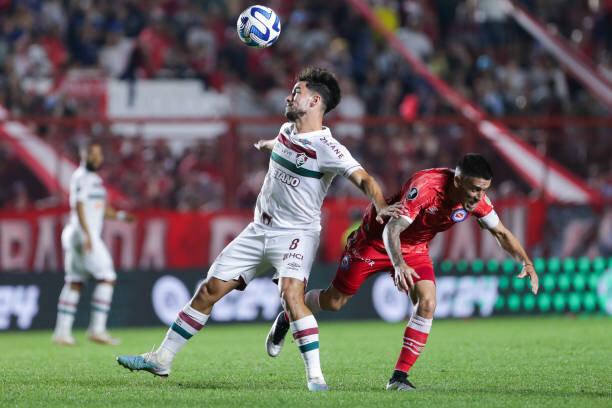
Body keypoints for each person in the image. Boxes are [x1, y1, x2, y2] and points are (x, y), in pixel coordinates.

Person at [117, 67, 400, 391]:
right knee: (208, 290)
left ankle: (316, 379)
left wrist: (379, 205)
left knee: (292, 296)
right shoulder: (285, 131)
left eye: (297, 92)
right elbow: (281, 145)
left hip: (296, 234)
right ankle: (162, 359)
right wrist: (267, 144)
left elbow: (363, 178)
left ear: (315, 100)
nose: (289, 96)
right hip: (258, 231)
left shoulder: (328, 147)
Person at [265, 154, 539, 391]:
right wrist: (398, 265)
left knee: (428, 302)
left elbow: (500, 232)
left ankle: (398, 378)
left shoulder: (475, 200)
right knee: (334, 302)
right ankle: (290, 313)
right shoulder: (426, 188)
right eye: (475, 190)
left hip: (414, 248)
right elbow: (391, 229)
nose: (479, 197)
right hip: (374, 241)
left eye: (483, 190)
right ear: (458, 180)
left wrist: (526, 262)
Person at [52, 142, 133, 346]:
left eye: (98, 154)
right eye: (92, 154)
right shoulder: (81, 177)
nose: (96, 158)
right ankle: (97, 329)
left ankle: (62, 332)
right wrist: (87, 235)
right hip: (82, 233)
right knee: (107, 276)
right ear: (84, 155)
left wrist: (121, 216)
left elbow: (98, 208)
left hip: (79, 234)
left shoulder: (95, 180)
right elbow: (78, 205)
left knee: (75, 281)